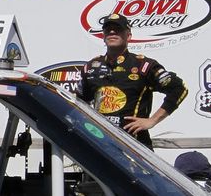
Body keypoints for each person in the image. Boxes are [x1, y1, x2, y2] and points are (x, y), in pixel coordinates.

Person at [78, 12, 188, 148]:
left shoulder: (143, 65)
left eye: (118, 29)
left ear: (128, 35)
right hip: (101, 145)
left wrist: (152, 120)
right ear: (103, 36)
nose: (112, 32)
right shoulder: (91, 67)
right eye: (108, 29)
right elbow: (78, 102)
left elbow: (179, 88)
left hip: (135, 146)